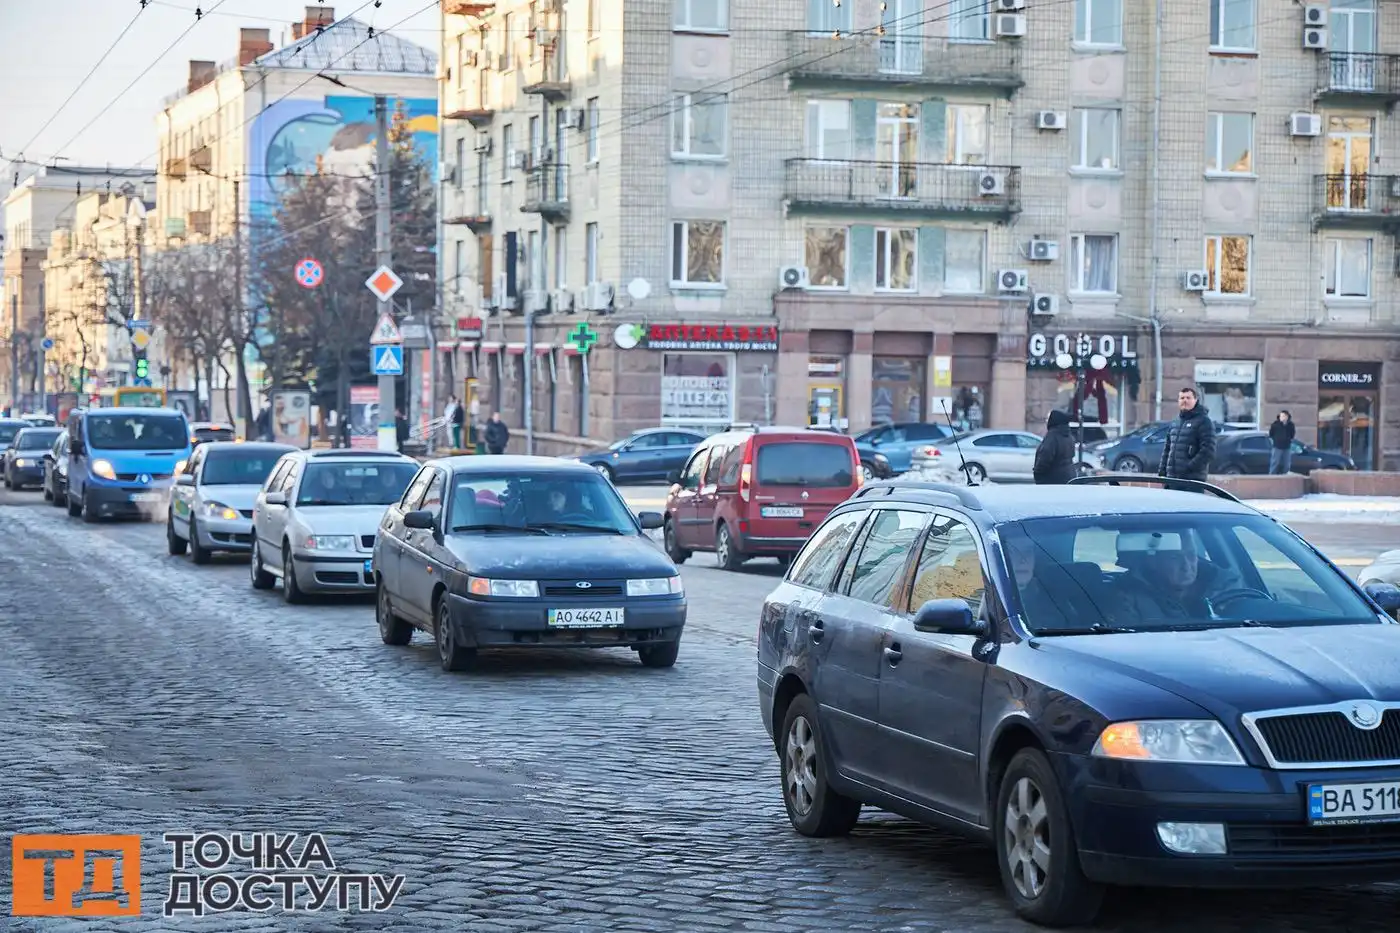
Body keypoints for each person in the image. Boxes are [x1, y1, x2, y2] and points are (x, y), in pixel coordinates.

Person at [1158, 387, 1215, 481]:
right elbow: (1167, 449)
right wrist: (1162, 472)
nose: (1185, 400)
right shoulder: (1175, 422)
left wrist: (1189, 468)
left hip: (1192, 481)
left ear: (1195, 400)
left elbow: (1208, 451)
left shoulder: (1204, 421)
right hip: (1171, 479)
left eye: (1188, 398)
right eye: (1182, 398)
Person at [1033, 410, 1076, 484]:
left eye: (1048, 419)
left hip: (1052, 479)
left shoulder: (1052, 436)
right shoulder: (1068, 436)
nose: (1047, 421)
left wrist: (1038, 473)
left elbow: (1045, 455)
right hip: (1068, 476)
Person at [1268, 410, 1296, 475]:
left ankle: (1285, 475)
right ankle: (1271, 476)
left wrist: (1288, 439)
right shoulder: (1275, 424)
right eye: (1281, 416)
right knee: (1275, 462)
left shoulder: (1290, 425)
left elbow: (1292, 434)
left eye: (1284, 416)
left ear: (1287, 417)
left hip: (1287, 446)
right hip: (1277, 446)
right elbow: (1271, 434)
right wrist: (1276, 440)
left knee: (1287, 463)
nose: (1282, 417)